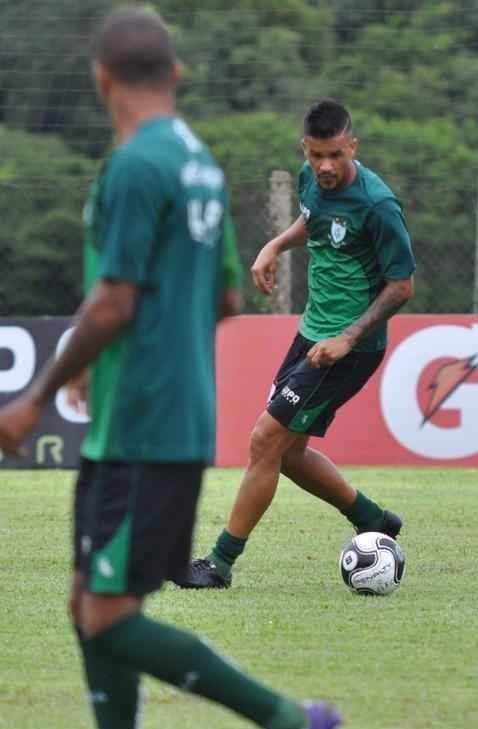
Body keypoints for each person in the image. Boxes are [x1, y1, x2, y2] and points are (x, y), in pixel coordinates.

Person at [0, 9, 340, 729]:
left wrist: (36, 395)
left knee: (107, 615)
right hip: (163, 418)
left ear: (101, 79)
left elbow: (112, 301)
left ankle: (287, 717)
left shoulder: (134, 166)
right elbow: (224, 300)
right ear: (175, 76)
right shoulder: (199, 164)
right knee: (92, 606)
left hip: (141, 427)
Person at [175, 98, 416, 590]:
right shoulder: (312, 180)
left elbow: (402, 285)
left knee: (265, 440)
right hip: (311, 334)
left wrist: (348, 338)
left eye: (335, 155)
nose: (325, 167)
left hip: (349, 347)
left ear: (352, 146)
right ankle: (375, 520)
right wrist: (275, 245)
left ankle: (218, 565)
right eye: (315, 156)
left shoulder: (378, 204)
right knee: (288, 453)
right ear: (305, 149)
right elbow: (315, 220)